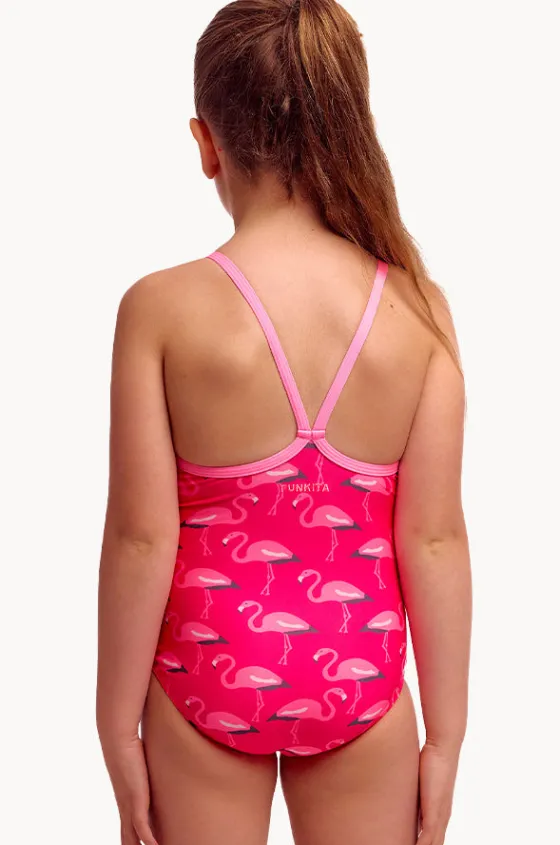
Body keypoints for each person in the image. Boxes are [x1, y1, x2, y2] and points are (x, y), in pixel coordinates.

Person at [96, 1, 472, 843]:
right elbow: (435, 539)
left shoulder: (160, 309)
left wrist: (116, 725)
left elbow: (140, 539)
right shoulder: (419, 311)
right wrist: (445, 737)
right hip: (360, 676)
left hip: (206, 670)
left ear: (206, 143)